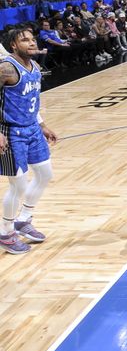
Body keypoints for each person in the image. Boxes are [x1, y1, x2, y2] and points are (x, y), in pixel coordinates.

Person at [0, 27, 58, 254]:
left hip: (32, 129)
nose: (32, 43)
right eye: (25, 40)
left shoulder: (35, 66)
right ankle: (5, 233)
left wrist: (42, 125)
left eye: (33, 39)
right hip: (12, 132)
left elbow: (32, 99)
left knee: (45, 174)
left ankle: (23, 220)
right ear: (13, 45)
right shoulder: (5, 68)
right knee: (19, 185)